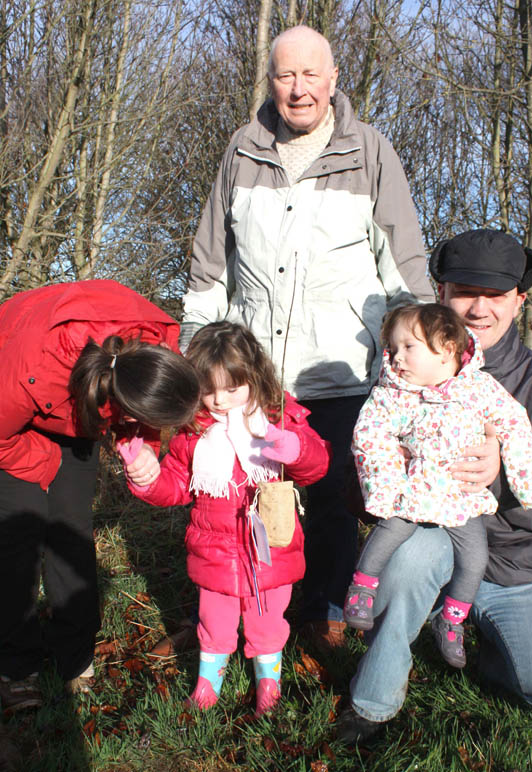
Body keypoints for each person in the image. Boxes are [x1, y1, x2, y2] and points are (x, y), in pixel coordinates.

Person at [179, 24, 434, 649]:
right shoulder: (242, 150)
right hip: (251, 376)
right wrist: (196, 357)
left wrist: (426, 359)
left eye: (310, 75)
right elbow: (209, 265)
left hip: (341, 370)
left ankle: (324, 613)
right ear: (270, 81)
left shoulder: (370, 152)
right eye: (285, 75)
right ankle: (227, 612)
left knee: (329, 499)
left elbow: (404, 269)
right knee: (233, 496)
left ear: (333, 79)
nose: (298, 90)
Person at [337, 228, 532, 742]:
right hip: (431, 542)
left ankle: (493, 652)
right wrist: (395, 470)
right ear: (441, 294)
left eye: (496, 294)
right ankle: (372, 703)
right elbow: (358, 489)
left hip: (516, 566)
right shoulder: (401, 372)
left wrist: (502, 480)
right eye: (464, 291)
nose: (479, 308)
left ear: (519, 301)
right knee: (410, 558)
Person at [0, 279, 200, 712]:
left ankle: (75, 656)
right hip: (12, 411)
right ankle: (17, 667)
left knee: (70, 529)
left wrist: (146, 447)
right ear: (122, 406)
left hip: (83, 401)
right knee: (21, 535)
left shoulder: (156, 356)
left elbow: (152, 408)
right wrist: (36, 462)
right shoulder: (28, 364)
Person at [120, 322, 330, 715]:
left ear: (254, 377)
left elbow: (316, 466)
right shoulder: (192, 433)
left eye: (231, 388)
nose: (218, 400)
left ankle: (269, 685)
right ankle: (206, 686)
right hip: (214, 550)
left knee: (267, 624)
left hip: (271, 550)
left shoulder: (278, 418)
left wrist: (297, 449)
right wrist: (145, 477)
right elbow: (175, 487)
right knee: (213, 624)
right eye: (207, 389)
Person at [343, 303, 532, 669]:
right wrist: (387, 485)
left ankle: (452, 619)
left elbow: (514, 425)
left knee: (474, 558)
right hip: (415, 490)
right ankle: (361, 588)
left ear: (446, 350)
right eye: (393, 349)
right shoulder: (392, 394)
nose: (396, 358)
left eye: (409, 347)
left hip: (462, 496)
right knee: (389, 530)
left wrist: (529, 483)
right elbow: (369, 436)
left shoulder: (479, 388)